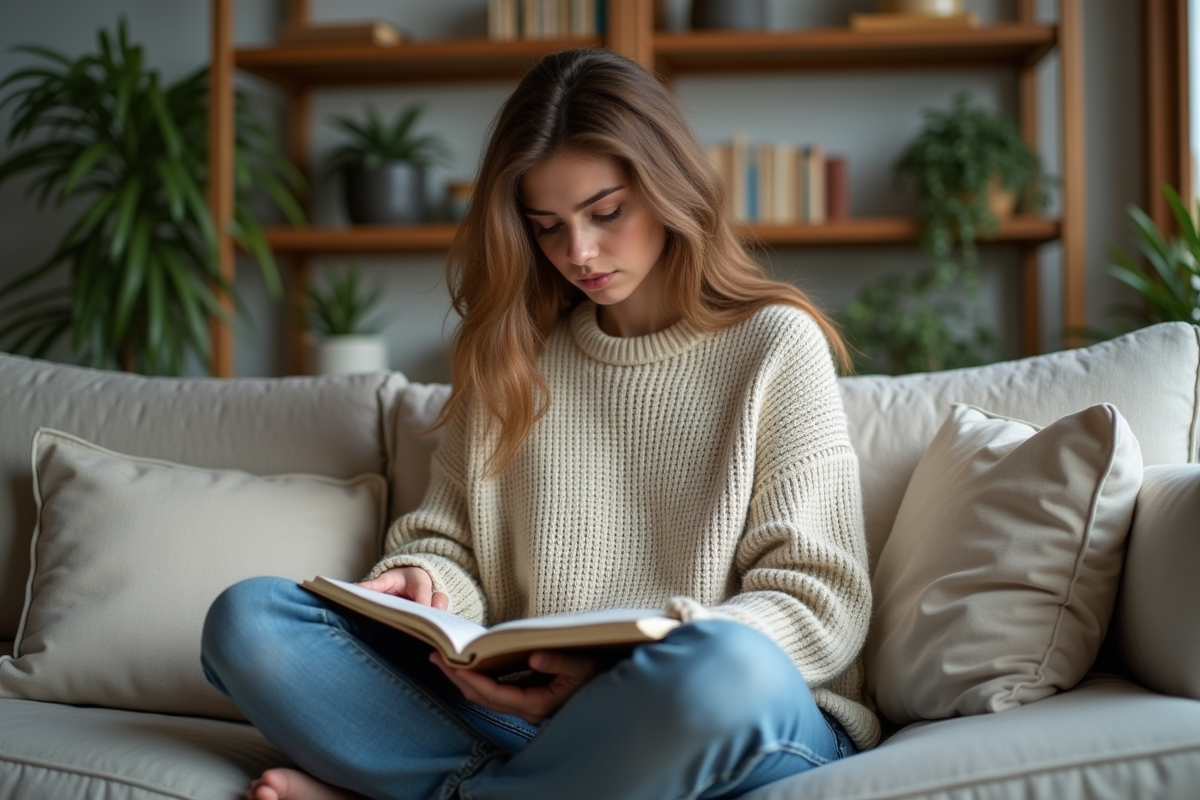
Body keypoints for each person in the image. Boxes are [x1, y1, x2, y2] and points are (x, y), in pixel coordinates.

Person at [201, 47, 878, 800]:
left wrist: (628, 669)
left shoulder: (775, 343)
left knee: (724, 667)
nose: (578, 253)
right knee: (250, 619)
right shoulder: (512, 356)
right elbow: (451, 544)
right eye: (547, 226)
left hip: (726, 714)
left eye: (606, 213)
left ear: (670, 189)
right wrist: (425, 583)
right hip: (537, 725)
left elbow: (818, 600)